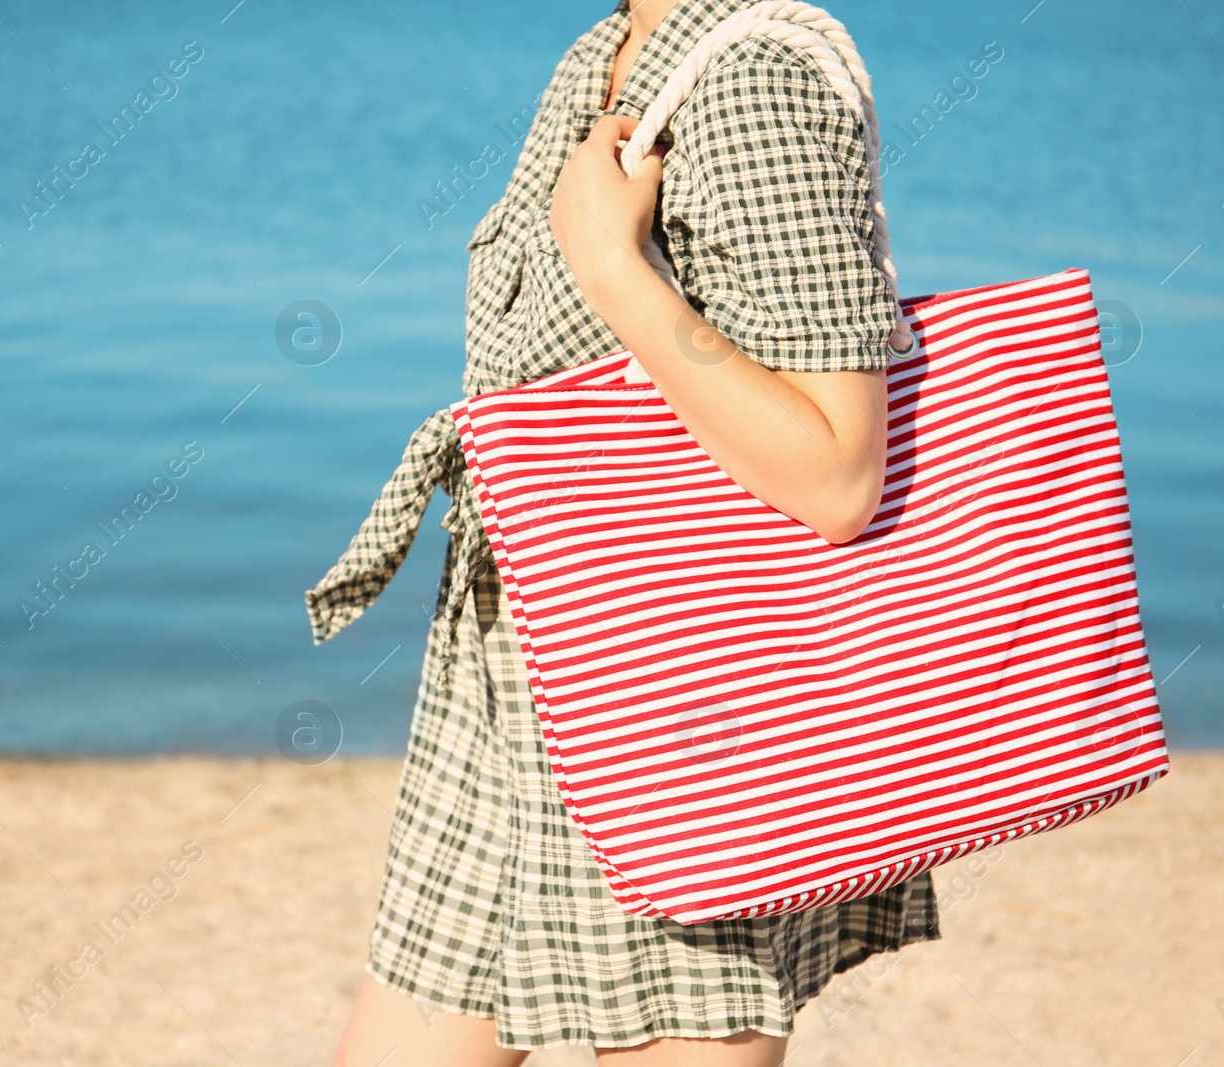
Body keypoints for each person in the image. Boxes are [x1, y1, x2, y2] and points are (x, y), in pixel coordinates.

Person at [308, 1, 940, 1063]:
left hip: (680, 698)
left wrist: (613, 267)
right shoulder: (605, 50)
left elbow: (837, 472)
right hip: (509, 667)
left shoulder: (753, 82)